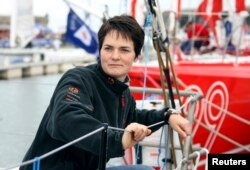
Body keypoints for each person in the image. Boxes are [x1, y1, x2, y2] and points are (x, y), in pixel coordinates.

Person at [20, 15, 191, 170]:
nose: (114, 56)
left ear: (136, 56)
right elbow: (65, 118)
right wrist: (119, 140)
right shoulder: (78, 79)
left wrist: (167, 116)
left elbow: (132, 118)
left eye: (124, 50)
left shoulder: (123, 93)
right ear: (100, 50)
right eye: (108, 48)